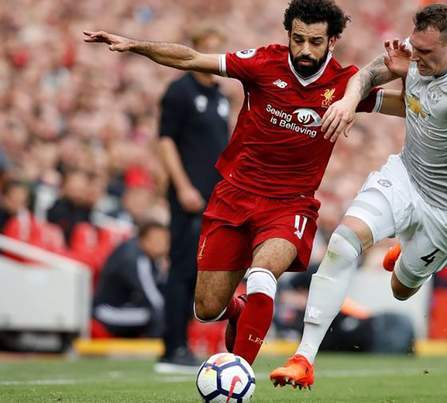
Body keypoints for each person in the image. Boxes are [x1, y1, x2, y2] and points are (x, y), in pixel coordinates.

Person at [84, 0, 403, 368]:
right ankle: (238, 310)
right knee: (206, 308)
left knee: (262, 275)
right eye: (297, 39)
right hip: (234, 196)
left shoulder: (345, 86)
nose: (304, 49)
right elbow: (192, 59)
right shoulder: (263, 63)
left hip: (290, 204)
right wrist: (134, 44)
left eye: (315, 42)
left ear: (332, 41)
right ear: (288, 35)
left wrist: (416, 78)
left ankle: (240, 373)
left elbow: (403, 106)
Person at [270, 3, 447, 389]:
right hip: (406, 176)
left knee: (401, 289)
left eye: (425, 52)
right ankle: (304, 358)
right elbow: (367, 74)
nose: (416, 56)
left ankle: (405, 253)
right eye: (415, 47)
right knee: (342, 243)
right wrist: (349, 102)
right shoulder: (417, 50)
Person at [155, 24, 231, 372]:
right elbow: (166, 140)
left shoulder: (219, 96)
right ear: (196, 49)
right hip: (189, 196)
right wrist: (183, 186)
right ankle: (172, 347)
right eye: (207, 47)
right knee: (182, 268)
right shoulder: (180, 91)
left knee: (200, 270)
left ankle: (183, 344)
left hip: (214, 197)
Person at [93, 221, 169, 338]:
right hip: (107, 311)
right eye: (158, 240)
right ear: (144, 240)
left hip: (123, 308)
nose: (164, 245)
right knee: (158, 315)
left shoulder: (143, 254)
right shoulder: (136, 257)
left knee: (158, 312)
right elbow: (153, 298)